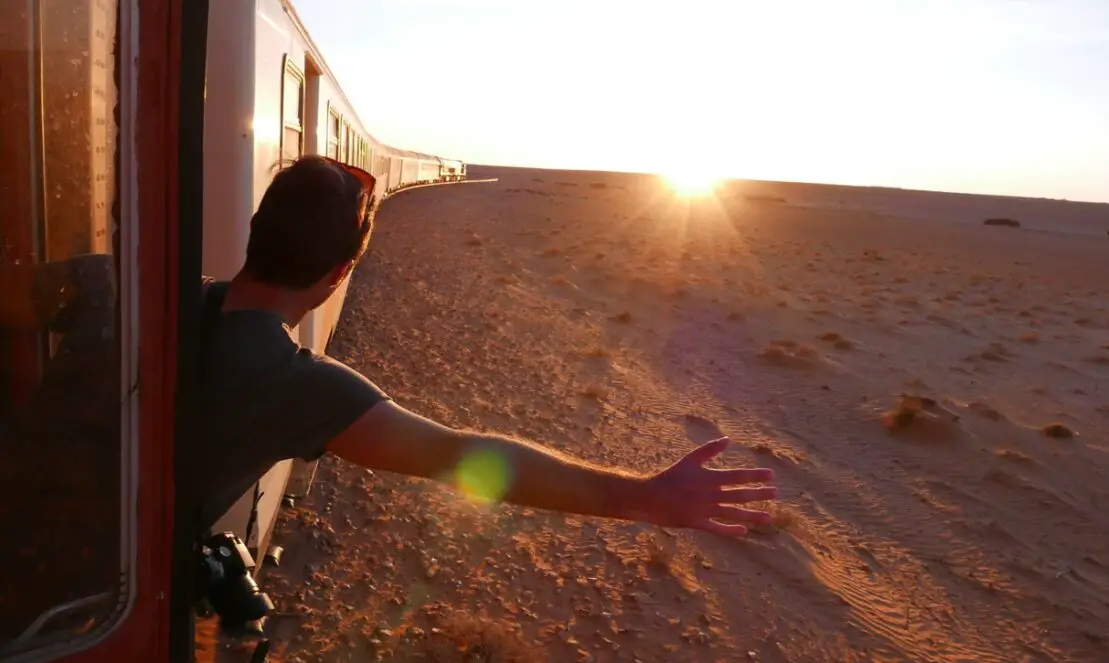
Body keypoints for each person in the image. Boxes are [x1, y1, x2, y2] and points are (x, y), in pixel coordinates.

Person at [197, 155, 778, 541]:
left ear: (256, 227)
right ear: (341, 271)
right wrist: (643, 497)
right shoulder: (297, 387)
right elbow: (460, 455)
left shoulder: (119, 289)